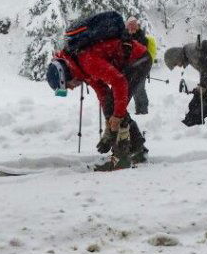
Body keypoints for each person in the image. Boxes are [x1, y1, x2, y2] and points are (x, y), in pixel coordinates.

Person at [47, 34, 152, 171]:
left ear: (67, 75)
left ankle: (121, 158)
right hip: (130, 62)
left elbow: (119, 82)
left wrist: (116, 117)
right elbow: (103, 94)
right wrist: (109, 129)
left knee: (118, 111)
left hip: (138, 60)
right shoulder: (79, 67)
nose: (71, 88)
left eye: (67, 85)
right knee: (114, 108)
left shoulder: (87, 62)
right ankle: (137, 150)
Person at [125, 16, 157, 115]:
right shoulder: (127, 36)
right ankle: (139, 110)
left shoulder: (142, 37)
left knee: (139, 88)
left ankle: (143, 110)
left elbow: (141, 52)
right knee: (135, 89)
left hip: (141, 67)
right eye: (131, 26)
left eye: (134, 25)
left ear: (138, 26)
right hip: (132, 67)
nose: (133, 28)